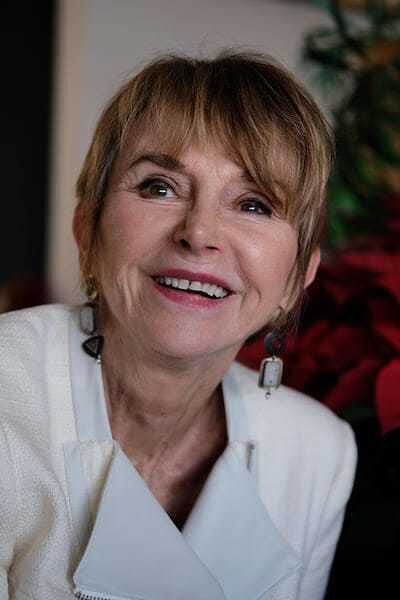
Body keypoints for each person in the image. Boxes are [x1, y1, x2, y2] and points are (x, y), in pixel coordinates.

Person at [0, 51, 357, 600]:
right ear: (88, 229)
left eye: (255, 205)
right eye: (159, 187)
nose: (199, 233)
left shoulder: (318, 452)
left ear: (297, 276)